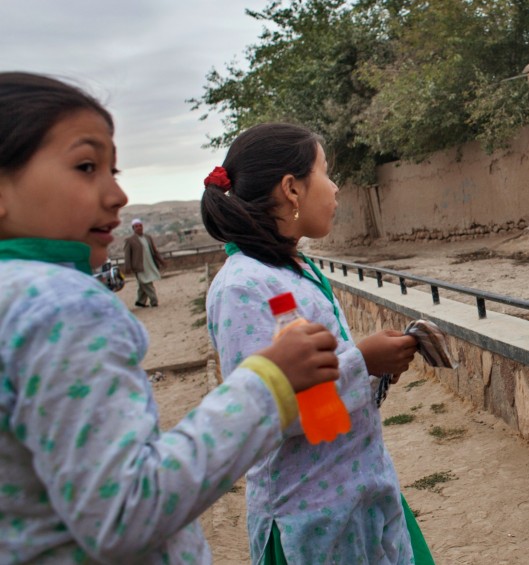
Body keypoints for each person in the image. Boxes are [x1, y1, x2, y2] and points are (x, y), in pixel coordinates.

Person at [0, 71, 342, 563]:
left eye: (113, 171)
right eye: (86, 165)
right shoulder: (62, 308)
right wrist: (270, 383)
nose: (117, 195)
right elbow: (123, 512)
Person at [200, 122, 433, 564]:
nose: (336, 187)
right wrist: (360, 361)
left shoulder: (292, 271)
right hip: (310, 522)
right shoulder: (244, 287)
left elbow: (320, 402)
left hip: (360, 496)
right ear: (292, 189)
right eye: (325, 172)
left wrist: (374, 370)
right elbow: (262, 412)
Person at [123, 217, 166, 307]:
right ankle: (154, 301)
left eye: (140, 226)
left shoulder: (148, 237)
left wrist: (161, 261)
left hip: (150, 264)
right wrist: (128, 267)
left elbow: (154, 251)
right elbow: (127, 255)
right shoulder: (130, 240)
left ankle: (140, 302)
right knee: (147, 283)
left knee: (143, 284)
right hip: (139, 267)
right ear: (133, 228)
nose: (139, 228)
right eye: (136, 226)